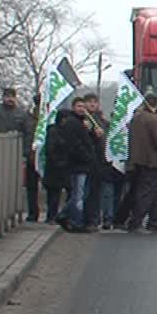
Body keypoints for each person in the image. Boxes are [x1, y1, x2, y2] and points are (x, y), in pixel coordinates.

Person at [0, 88, 35, 220]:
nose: (10, 99)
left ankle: (11, 212)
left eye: (12, 97)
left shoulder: (22, 114)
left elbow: (28, 134)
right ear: (3, 97)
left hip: (15, 156)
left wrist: (25, 153)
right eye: (7, 96)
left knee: (13, 185)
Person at [126, 95, 157, 233]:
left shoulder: (136, 119)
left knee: (154, 192)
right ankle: (136, 223)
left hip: (139, 159)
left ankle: (155, 221)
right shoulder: (153, 119)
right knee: (147, 193)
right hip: (153, 160)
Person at [55, 97, 95, 233]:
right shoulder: (72, 123)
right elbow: (74, 144)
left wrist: (90, 131)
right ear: (73, 107)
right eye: (78, 106)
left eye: (83, 106)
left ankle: (63, 215)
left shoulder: (83, 122)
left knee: (79, 194)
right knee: (78, 195)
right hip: (77, 164)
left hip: (83, 164)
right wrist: (86, 156)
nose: (82, 109)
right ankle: (76, 222)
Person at [81, 93, 108, 232]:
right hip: (88, 161)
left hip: (100, 161)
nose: (92, 104)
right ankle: (87, 220)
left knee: (97, 192)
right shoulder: (84, 119)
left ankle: (95, 219)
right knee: (87, 192)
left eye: (94, 102)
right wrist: (91, 133)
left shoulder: (100, 119)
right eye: (89, 102)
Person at [43, 109, 70, 224]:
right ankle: (51, 216)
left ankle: (57, 215)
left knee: (60, 193)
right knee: (54, 193)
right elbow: (50, 149)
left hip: (62, 165)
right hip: (55, 166)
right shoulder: (54, 131)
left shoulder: (66, 130)